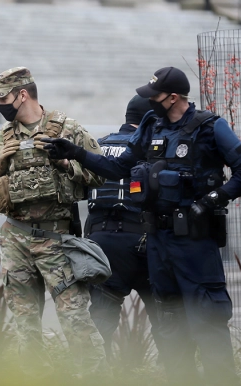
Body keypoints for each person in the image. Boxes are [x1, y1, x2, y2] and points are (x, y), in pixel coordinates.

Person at [43, 66, 241, 385]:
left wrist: (212, 200)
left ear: (173, 98)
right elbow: (118, 167)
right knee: (170, 325)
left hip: (196, 242)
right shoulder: (151, 125)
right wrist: (76, 153)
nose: (151, 101)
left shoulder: (211, 128)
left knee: (207, 321)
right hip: (158, 240)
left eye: (155, 96)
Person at [0, 67, 108, 377]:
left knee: (75, 318)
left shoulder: (67, 130)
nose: (0, 105)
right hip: (15, 239)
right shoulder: (1, 139)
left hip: (56, 239)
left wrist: (66, 164)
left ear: (23, 95)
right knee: (24, 322)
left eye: (3, 98)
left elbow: (100, 173)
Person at [85, 95, 162, 362]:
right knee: (165, 319)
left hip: (102, 244)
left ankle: (98, 376)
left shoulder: (99, 146)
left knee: (101, 323)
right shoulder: (153, 148)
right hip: (143, 241)